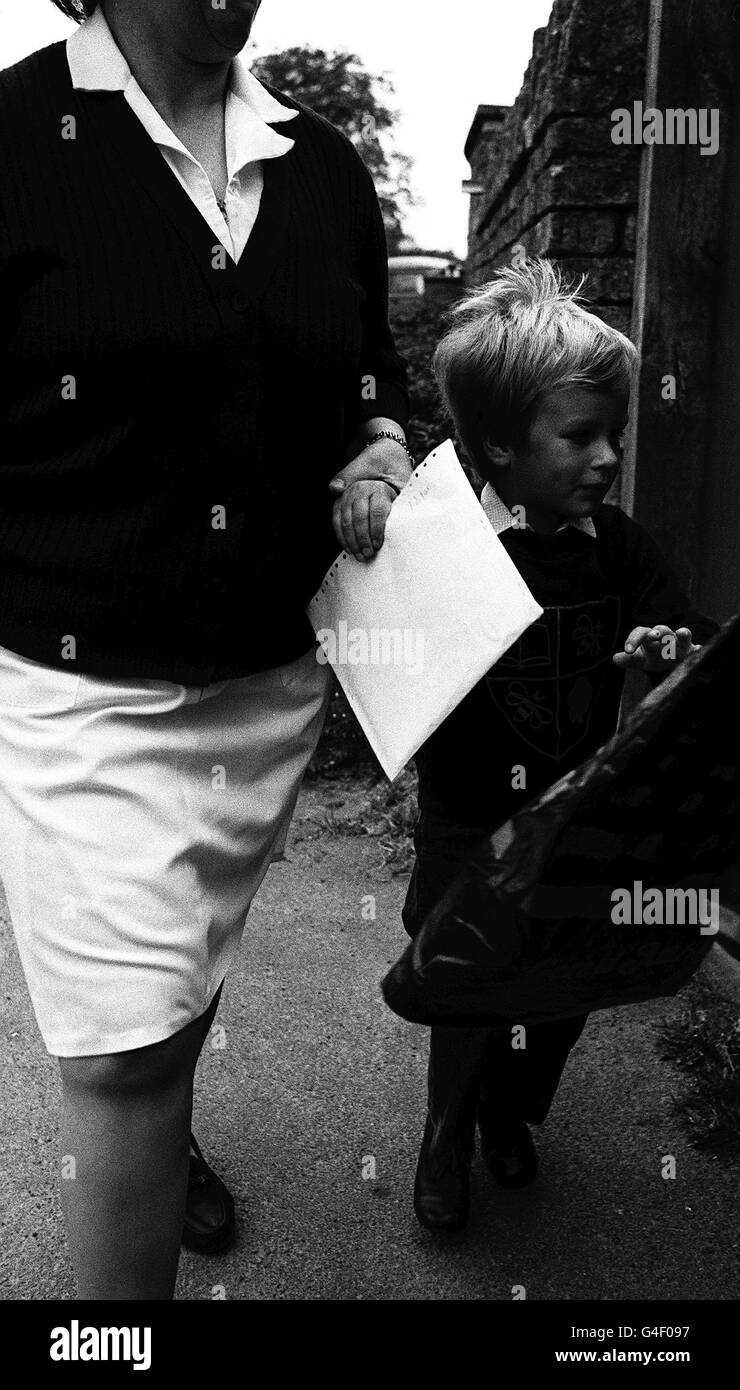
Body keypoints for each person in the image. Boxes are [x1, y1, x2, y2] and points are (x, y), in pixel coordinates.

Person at [0, 0, 411, 1298]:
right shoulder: (19, 135)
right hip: (80, 680)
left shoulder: (324, 167)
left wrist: (382, 445)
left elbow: (368, 378)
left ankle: (173, 1124)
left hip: (269, 679)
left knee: (180, 979)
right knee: (119, 1061)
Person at [404, 257, 718, 1232]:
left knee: (556, 986)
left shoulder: (615, 548)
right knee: (465, 981)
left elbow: (683, 640)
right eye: (578, 435)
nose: (605, 457)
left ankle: (511, 1112)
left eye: (613, 435)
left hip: (576, 815)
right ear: (497, 447)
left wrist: (664, 648)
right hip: (466, 814)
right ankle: (444, 1133)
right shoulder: (449, 546)